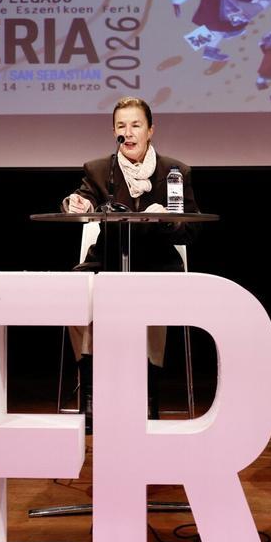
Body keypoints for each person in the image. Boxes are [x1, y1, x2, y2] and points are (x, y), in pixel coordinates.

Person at [62, 96, 200, 431]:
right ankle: (91, 393)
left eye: (136, 125)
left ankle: (148, 395)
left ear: (150, 130)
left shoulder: (175, 171)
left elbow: (191, 231)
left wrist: (166, 220)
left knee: (148, 299)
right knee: (73, 297)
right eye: (121, 126)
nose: (129, 132)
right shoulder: (99, 170)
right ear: (114, 132)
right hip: (107, 260)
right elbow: (82, 201)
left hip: (157, 262)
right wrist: (76, 204)